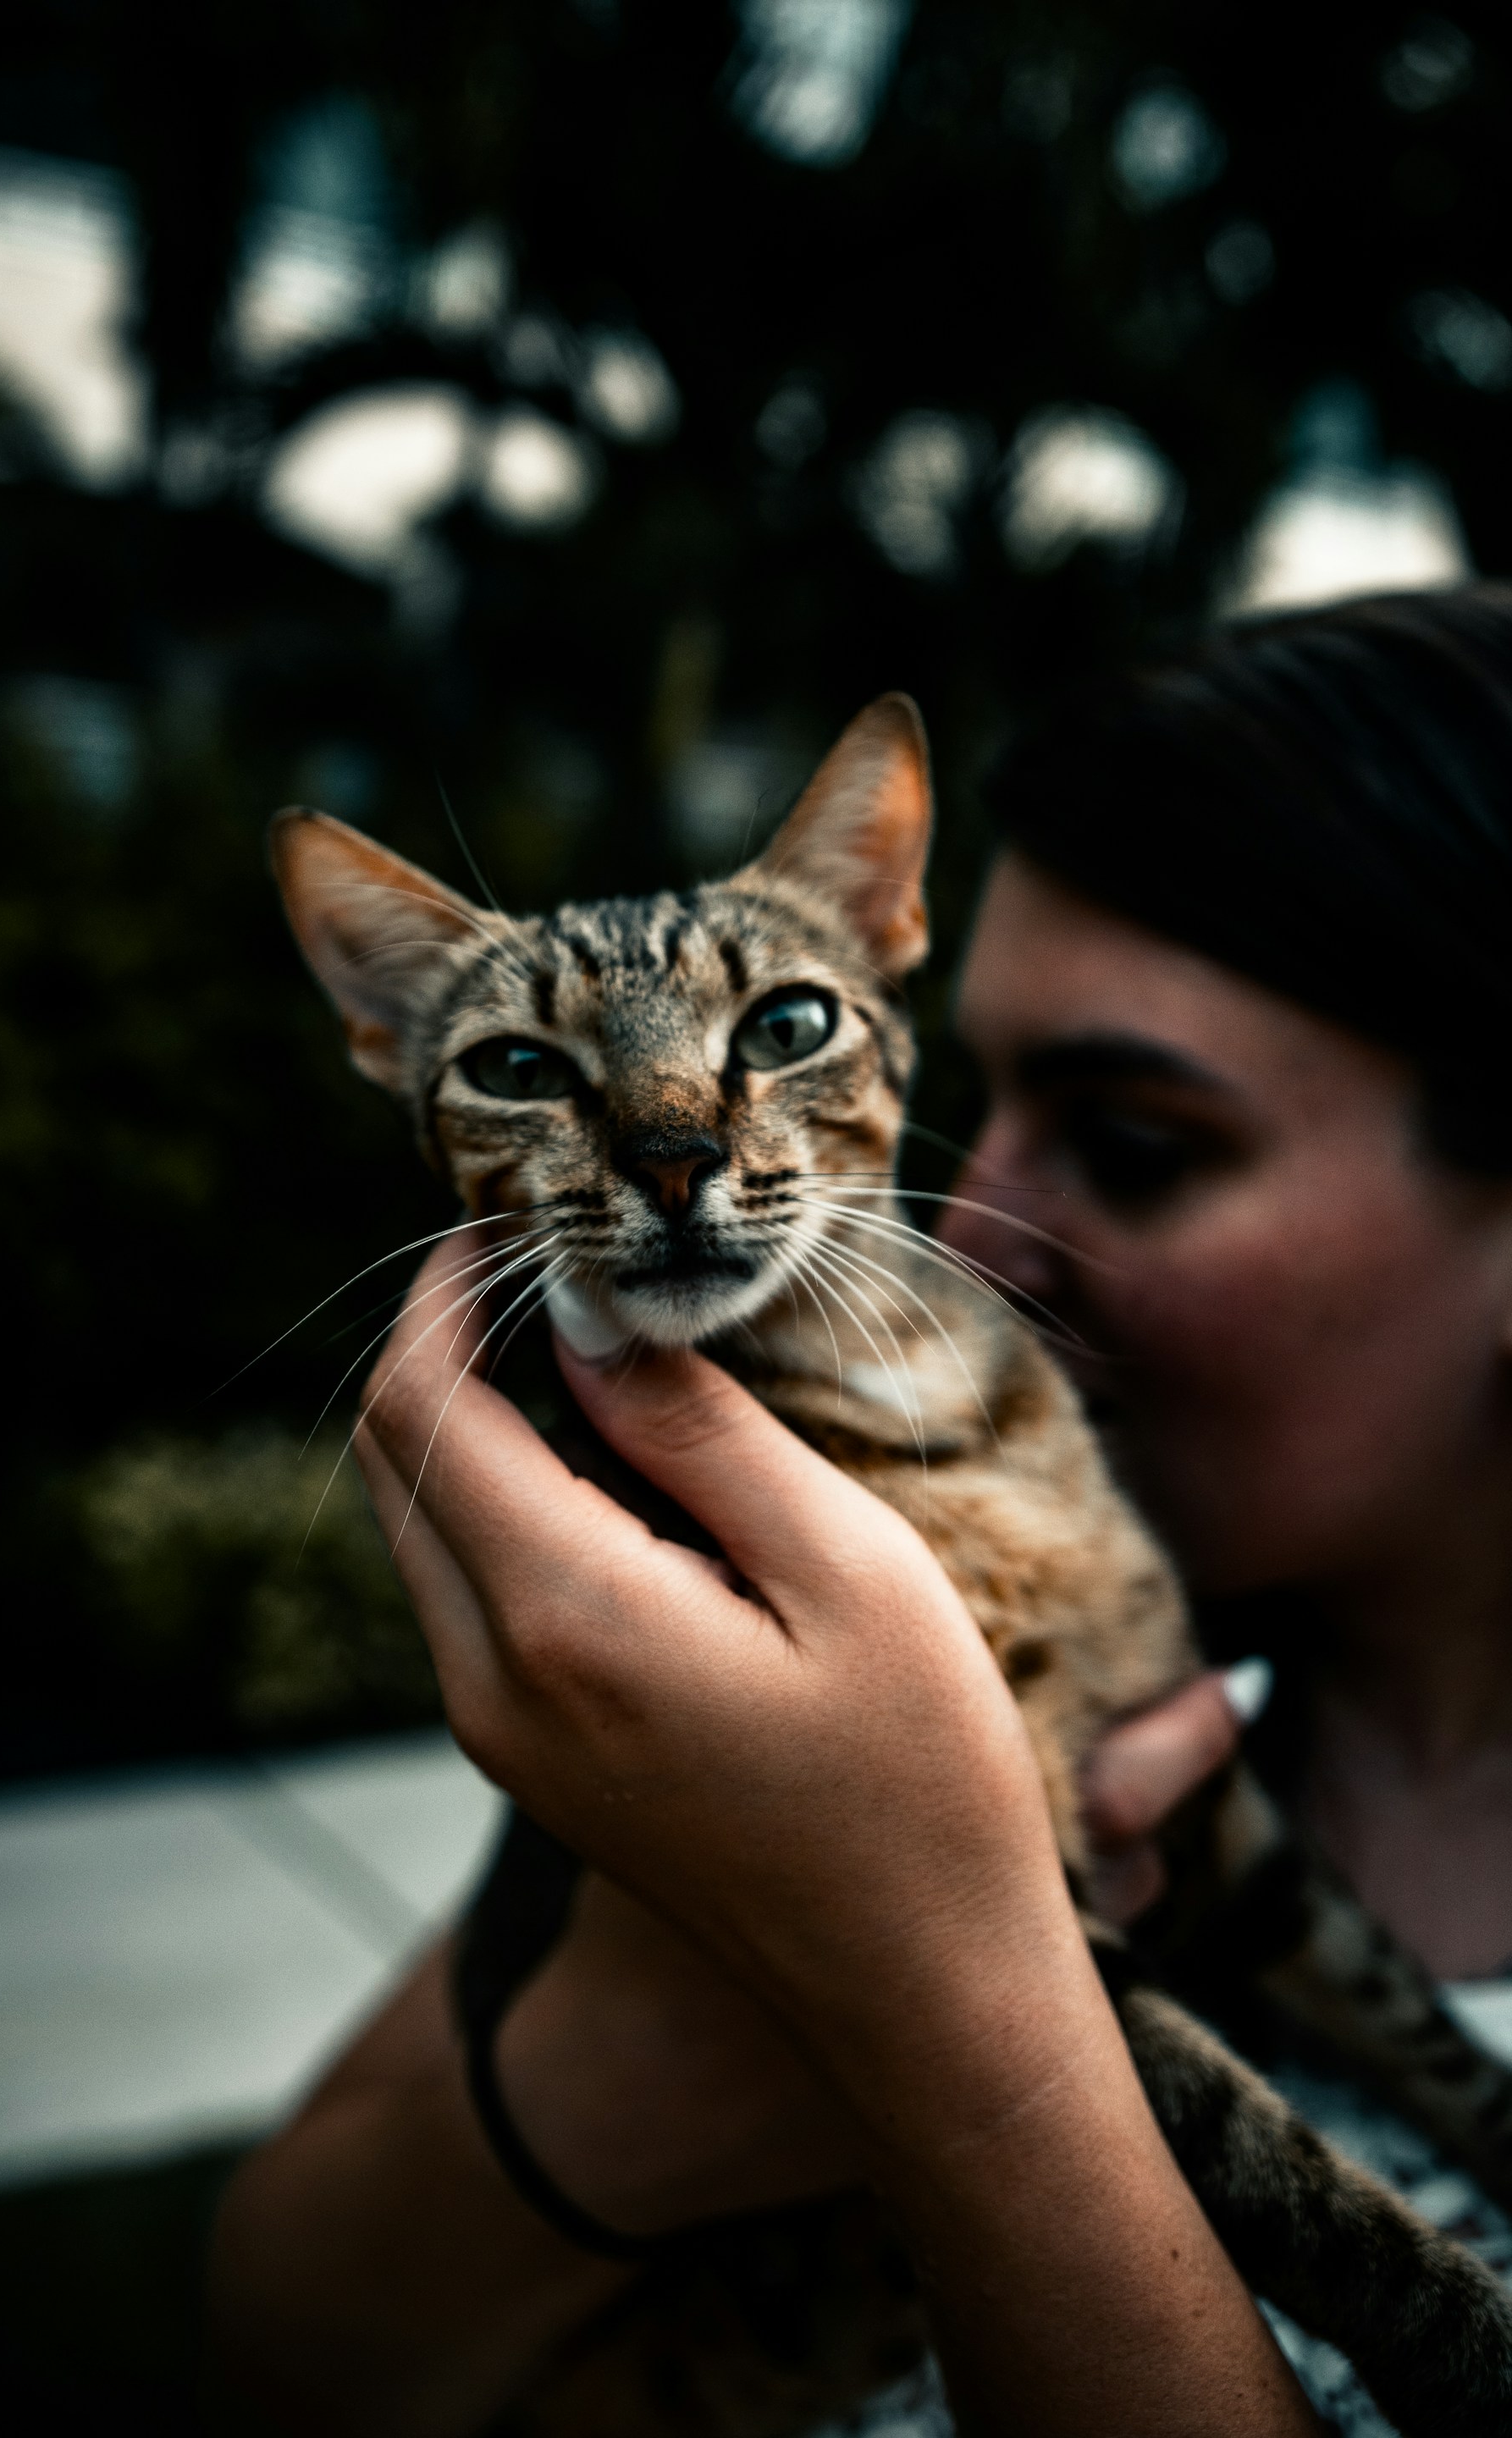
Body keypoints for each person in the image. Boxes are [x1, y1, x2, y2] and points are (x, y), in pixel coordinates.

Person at [210, 585, 1512, 2436]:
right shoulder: (727, 1670)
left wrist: (936, 2002)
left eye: (1137, 1142)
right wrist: (631, 2054)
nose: (978, 1227)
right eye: (967, 1093)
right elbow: (286, 2342)